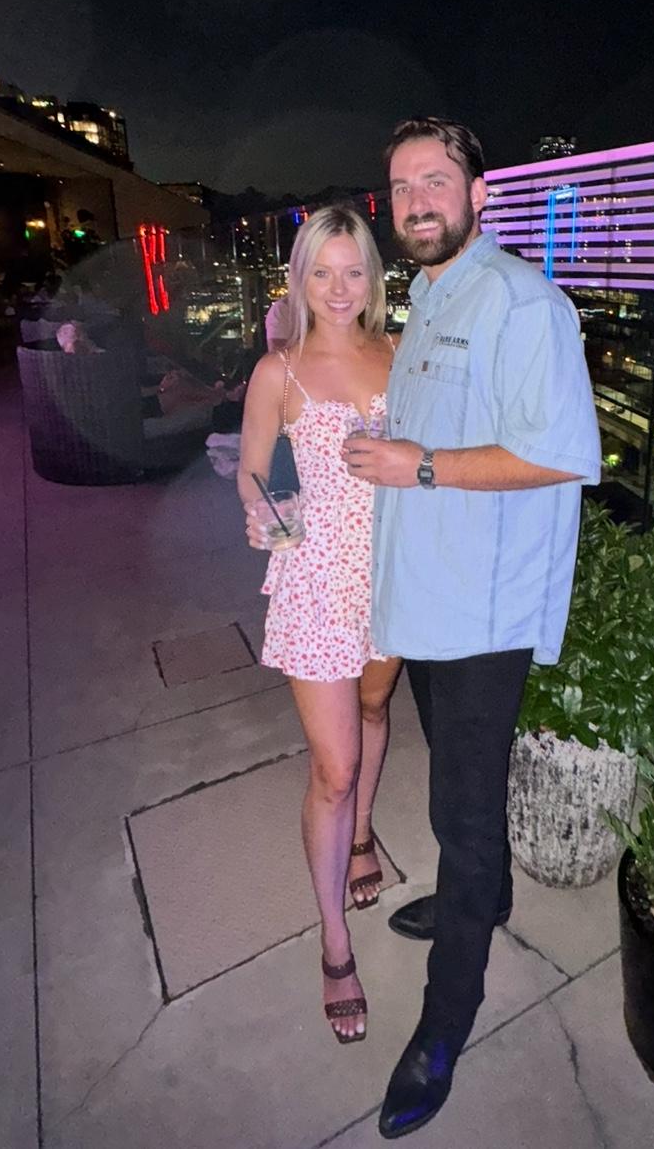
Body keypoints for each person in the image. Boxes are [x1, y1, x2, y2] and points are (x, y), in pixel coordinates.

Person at [344, 118, 601, 1138]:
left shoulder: (523, 302)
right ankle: (482, 902)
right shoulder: (430, 296)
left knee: (462, 816)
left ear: (479, 193)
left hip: (483, 616)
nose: (415, 201)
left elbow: (561, 452)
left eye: (435, 180)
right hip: (427, 598)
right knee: (456, 787)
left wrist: (418, 465)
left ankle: (445, 1024)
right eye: (401, 185)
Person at [237, 205, 405, 1045]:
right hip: (316, 583)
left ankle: (366, 832)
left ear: (373, 278)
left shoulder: (400, 354)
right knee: (333, 768)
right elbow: (252, 473)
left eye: (353, 271)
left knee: (375, 709)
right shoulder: (278, 371)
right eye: (322, 273)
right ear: (299, 280)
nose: (339, 289)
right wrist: (266, 515)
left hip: (392, 580)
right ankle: (334, 942)